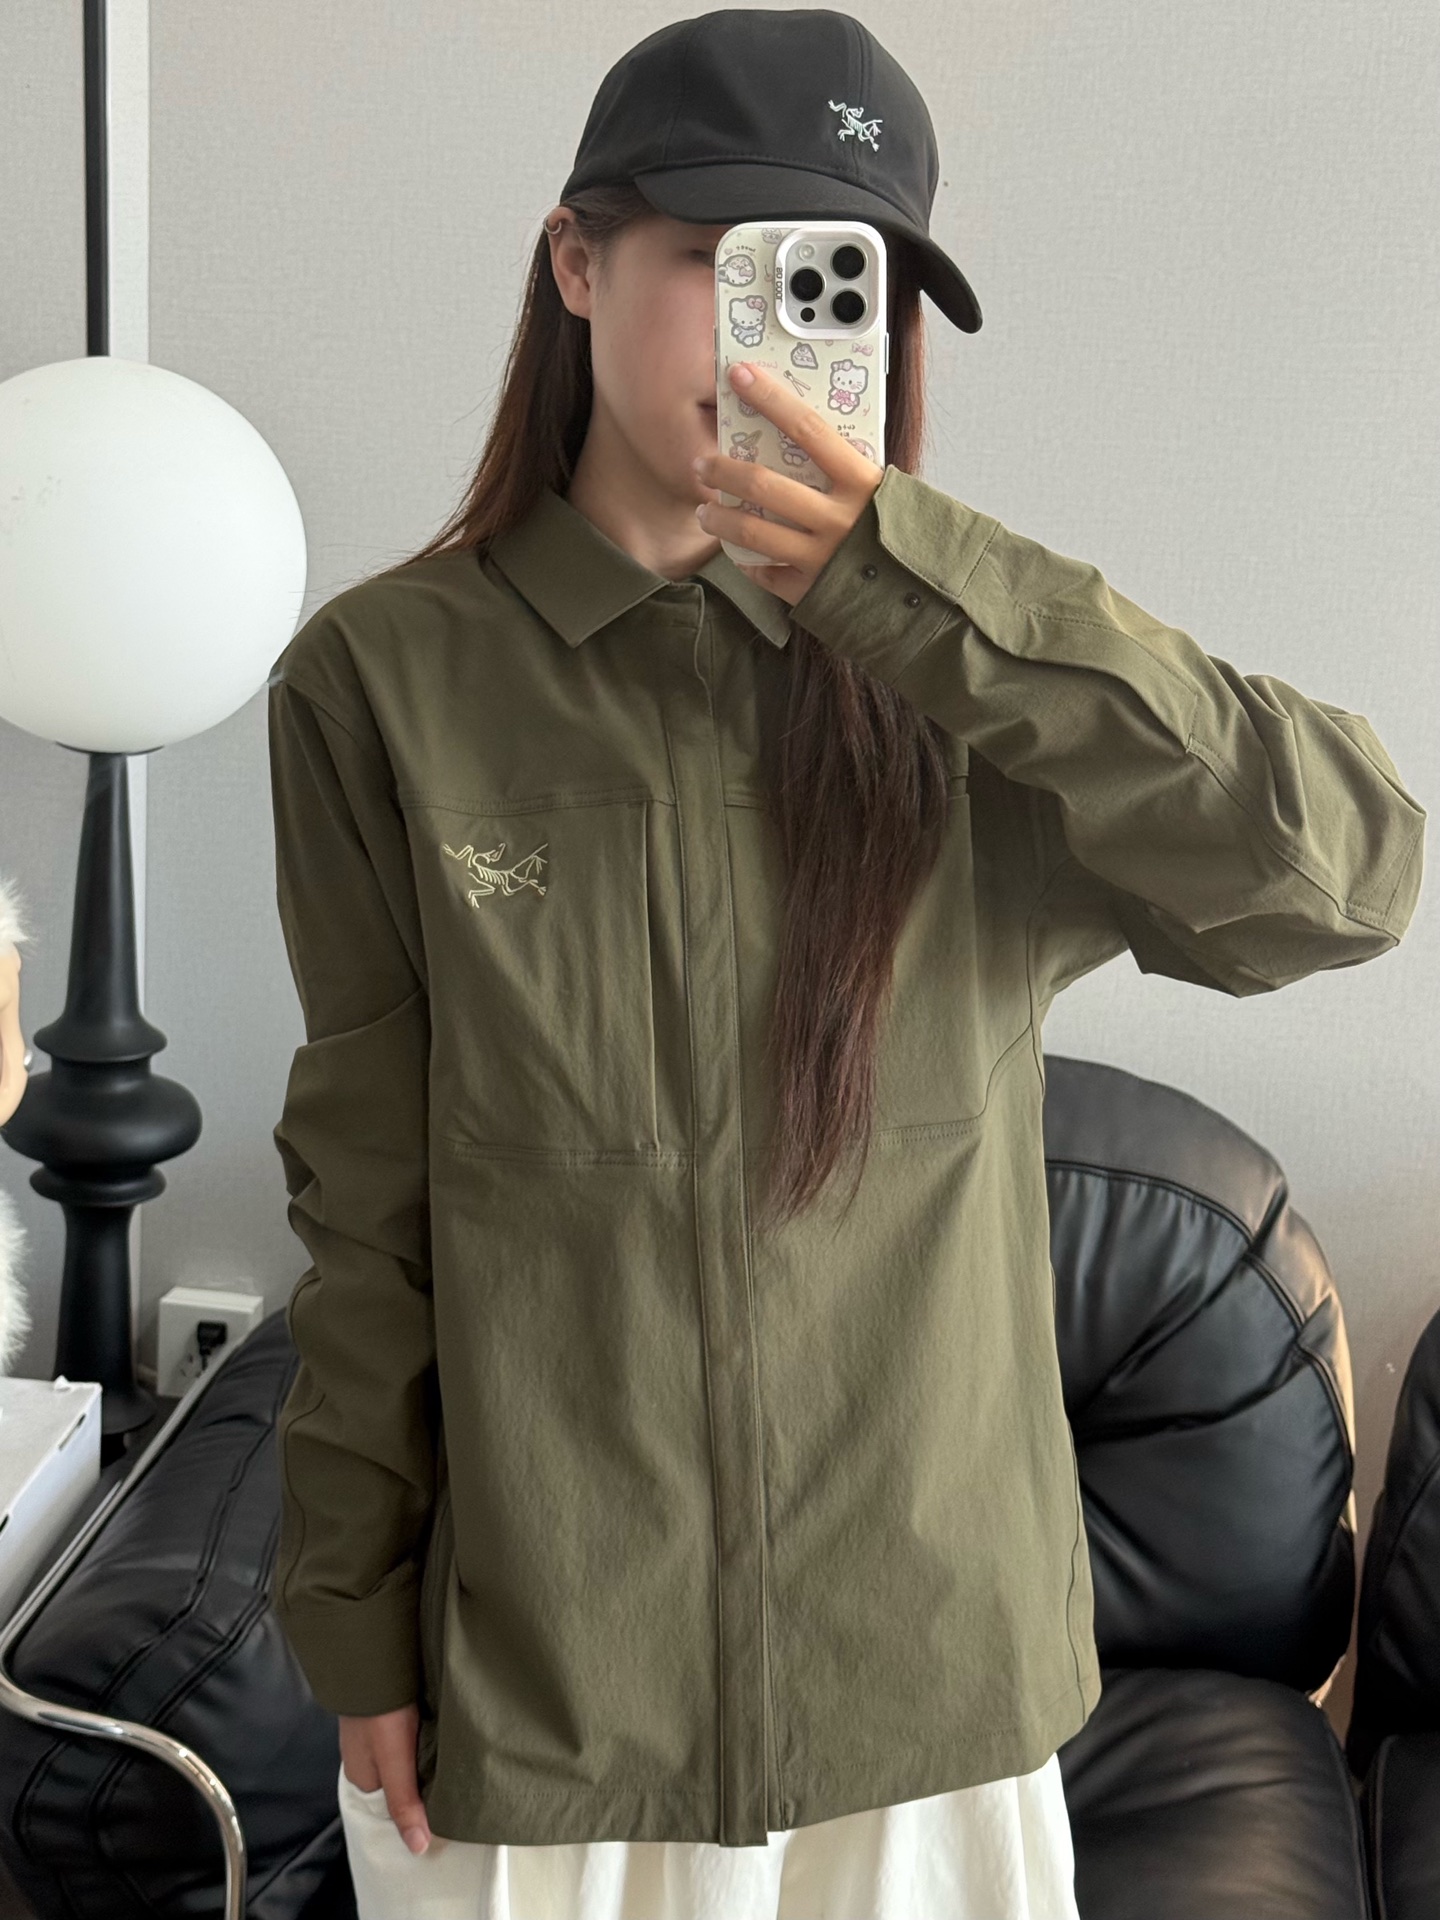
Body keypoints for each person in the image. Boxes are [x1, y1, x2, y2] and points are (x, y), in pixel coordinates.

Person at [263, 10, 1426, 1918]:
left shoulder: (972, 692)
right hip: (548, 1710)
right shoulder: (383, 685)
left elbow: (1350, 873)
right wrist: (350, 1615)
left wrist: (924, 587)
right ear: (575, 261)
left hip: (930, 1719)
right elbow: (369, 1200)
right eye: (722, 261)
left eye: (841, 286)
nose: (776, 340)